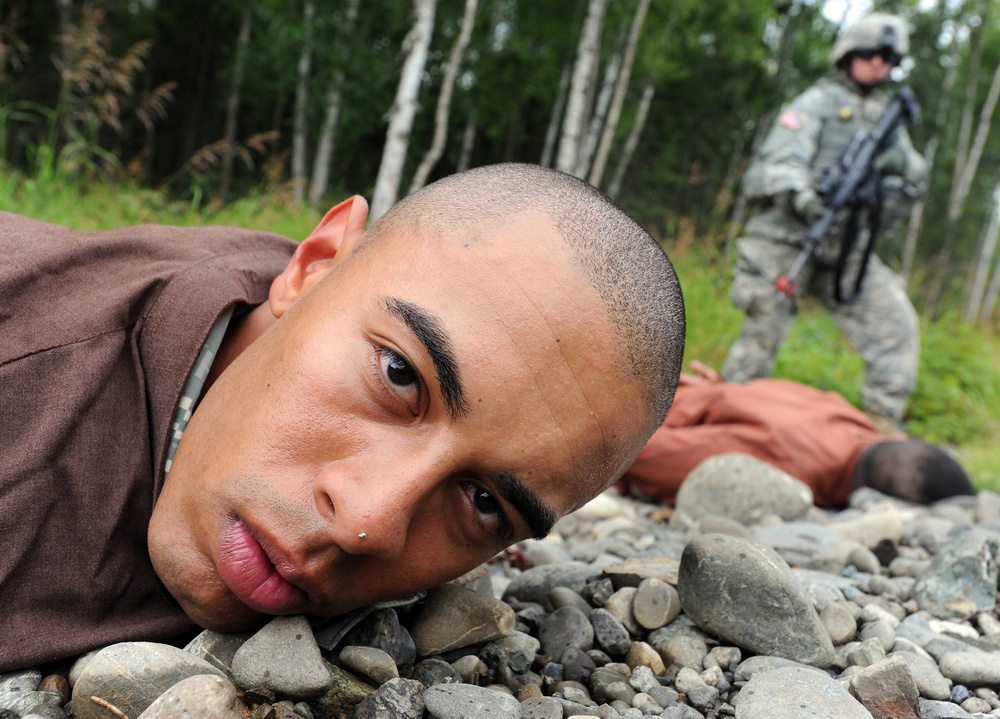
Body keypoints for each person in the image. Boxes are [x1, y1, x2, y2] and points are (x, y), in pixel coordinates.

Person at [0, 163, 686, 671]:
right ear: (315, 262)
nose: (369, 522)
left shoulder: (349, 294)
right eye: (399, 376)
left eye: (482, 502)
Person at [721, 13, 927, 430]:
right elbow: (777, 162)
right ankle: (727, 419)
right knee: (761, 331)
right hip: (789, 237)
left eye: (890, 59)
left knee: (896, 327)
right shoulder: (817, 102)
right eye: (871, 54)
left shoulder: (889, 119)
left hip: (848, 247)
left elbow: (915, 179)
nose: (879, 65)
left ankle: (880, 430)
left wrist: (898, 165)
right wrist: (803, 197)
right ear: (849, 53)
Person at [620, 361, 975, 508]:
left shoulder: (852, 419)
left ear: (896, 439)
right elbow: (636, 451)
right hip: (631, 396)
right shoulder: (794, 471)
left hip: (664, 376)